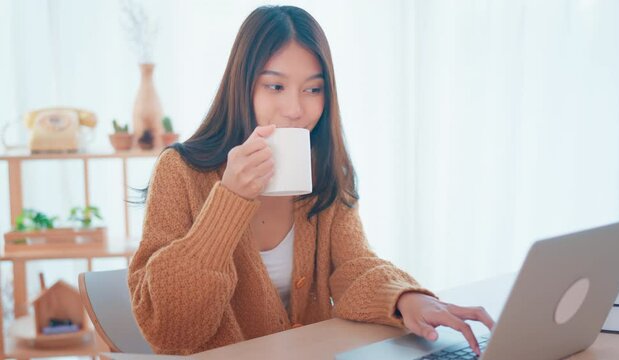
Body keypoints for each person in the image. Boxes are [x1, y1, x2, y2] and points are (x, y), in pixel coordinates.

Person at [128, 5, 494, 356]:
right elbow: (170, 330)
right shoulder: (181, 171)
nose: (296, 109)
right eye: (275, 86)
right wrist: (230, 199)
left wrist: (405, 297)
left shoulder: (326, 170)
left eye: (313, 89)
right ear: (242, 86)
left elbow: (353, 267)